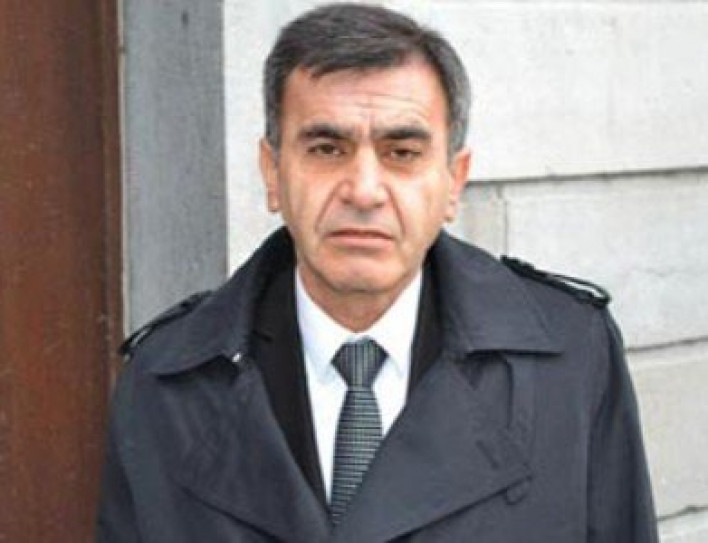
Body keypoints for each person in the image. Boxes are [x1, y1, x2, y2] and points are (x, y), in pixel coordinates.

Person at [96, 3, 658, 542]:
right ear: (272, 173)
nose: (364, 191)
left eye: (402, 153)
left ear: (454, 181)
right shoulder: (164, 384)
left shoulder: (571, 360)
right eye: (326, 149)